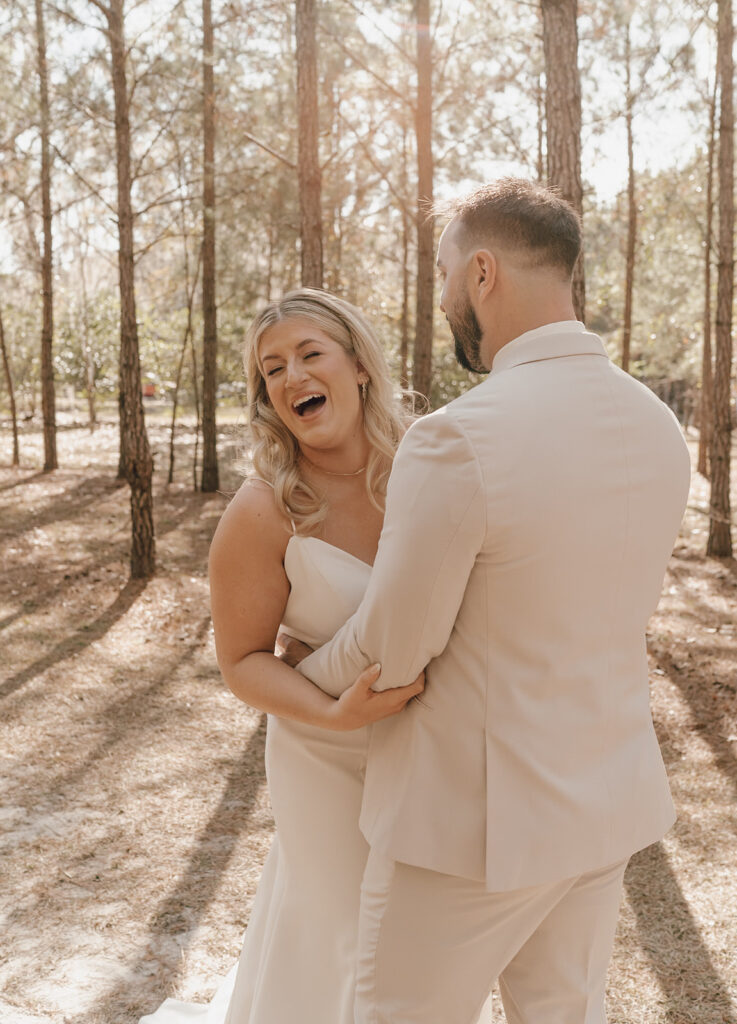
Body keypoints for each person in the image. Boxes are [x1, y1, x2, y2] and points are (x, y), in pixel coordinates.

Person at [292, 178, 692, 1024]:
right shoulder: (657, 425)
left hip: (469, 829)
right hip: (603, 805)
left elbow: (393, 647)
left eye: (442, 276)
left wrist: (300, 666)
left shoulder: (459, 437)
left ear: (481, 273)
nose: (441, 299)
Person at [139, 289, 425, 1024]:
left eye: (309, 355)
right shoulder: (264, 508)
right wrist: (333, 709)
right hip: (321, 754)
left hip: (430, 746)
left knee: (425, 942)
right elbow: (240, 660)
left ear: (358, 365)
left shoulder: (429, 470)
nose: (291, 377)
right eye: (272, 369)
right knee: (348, 938)